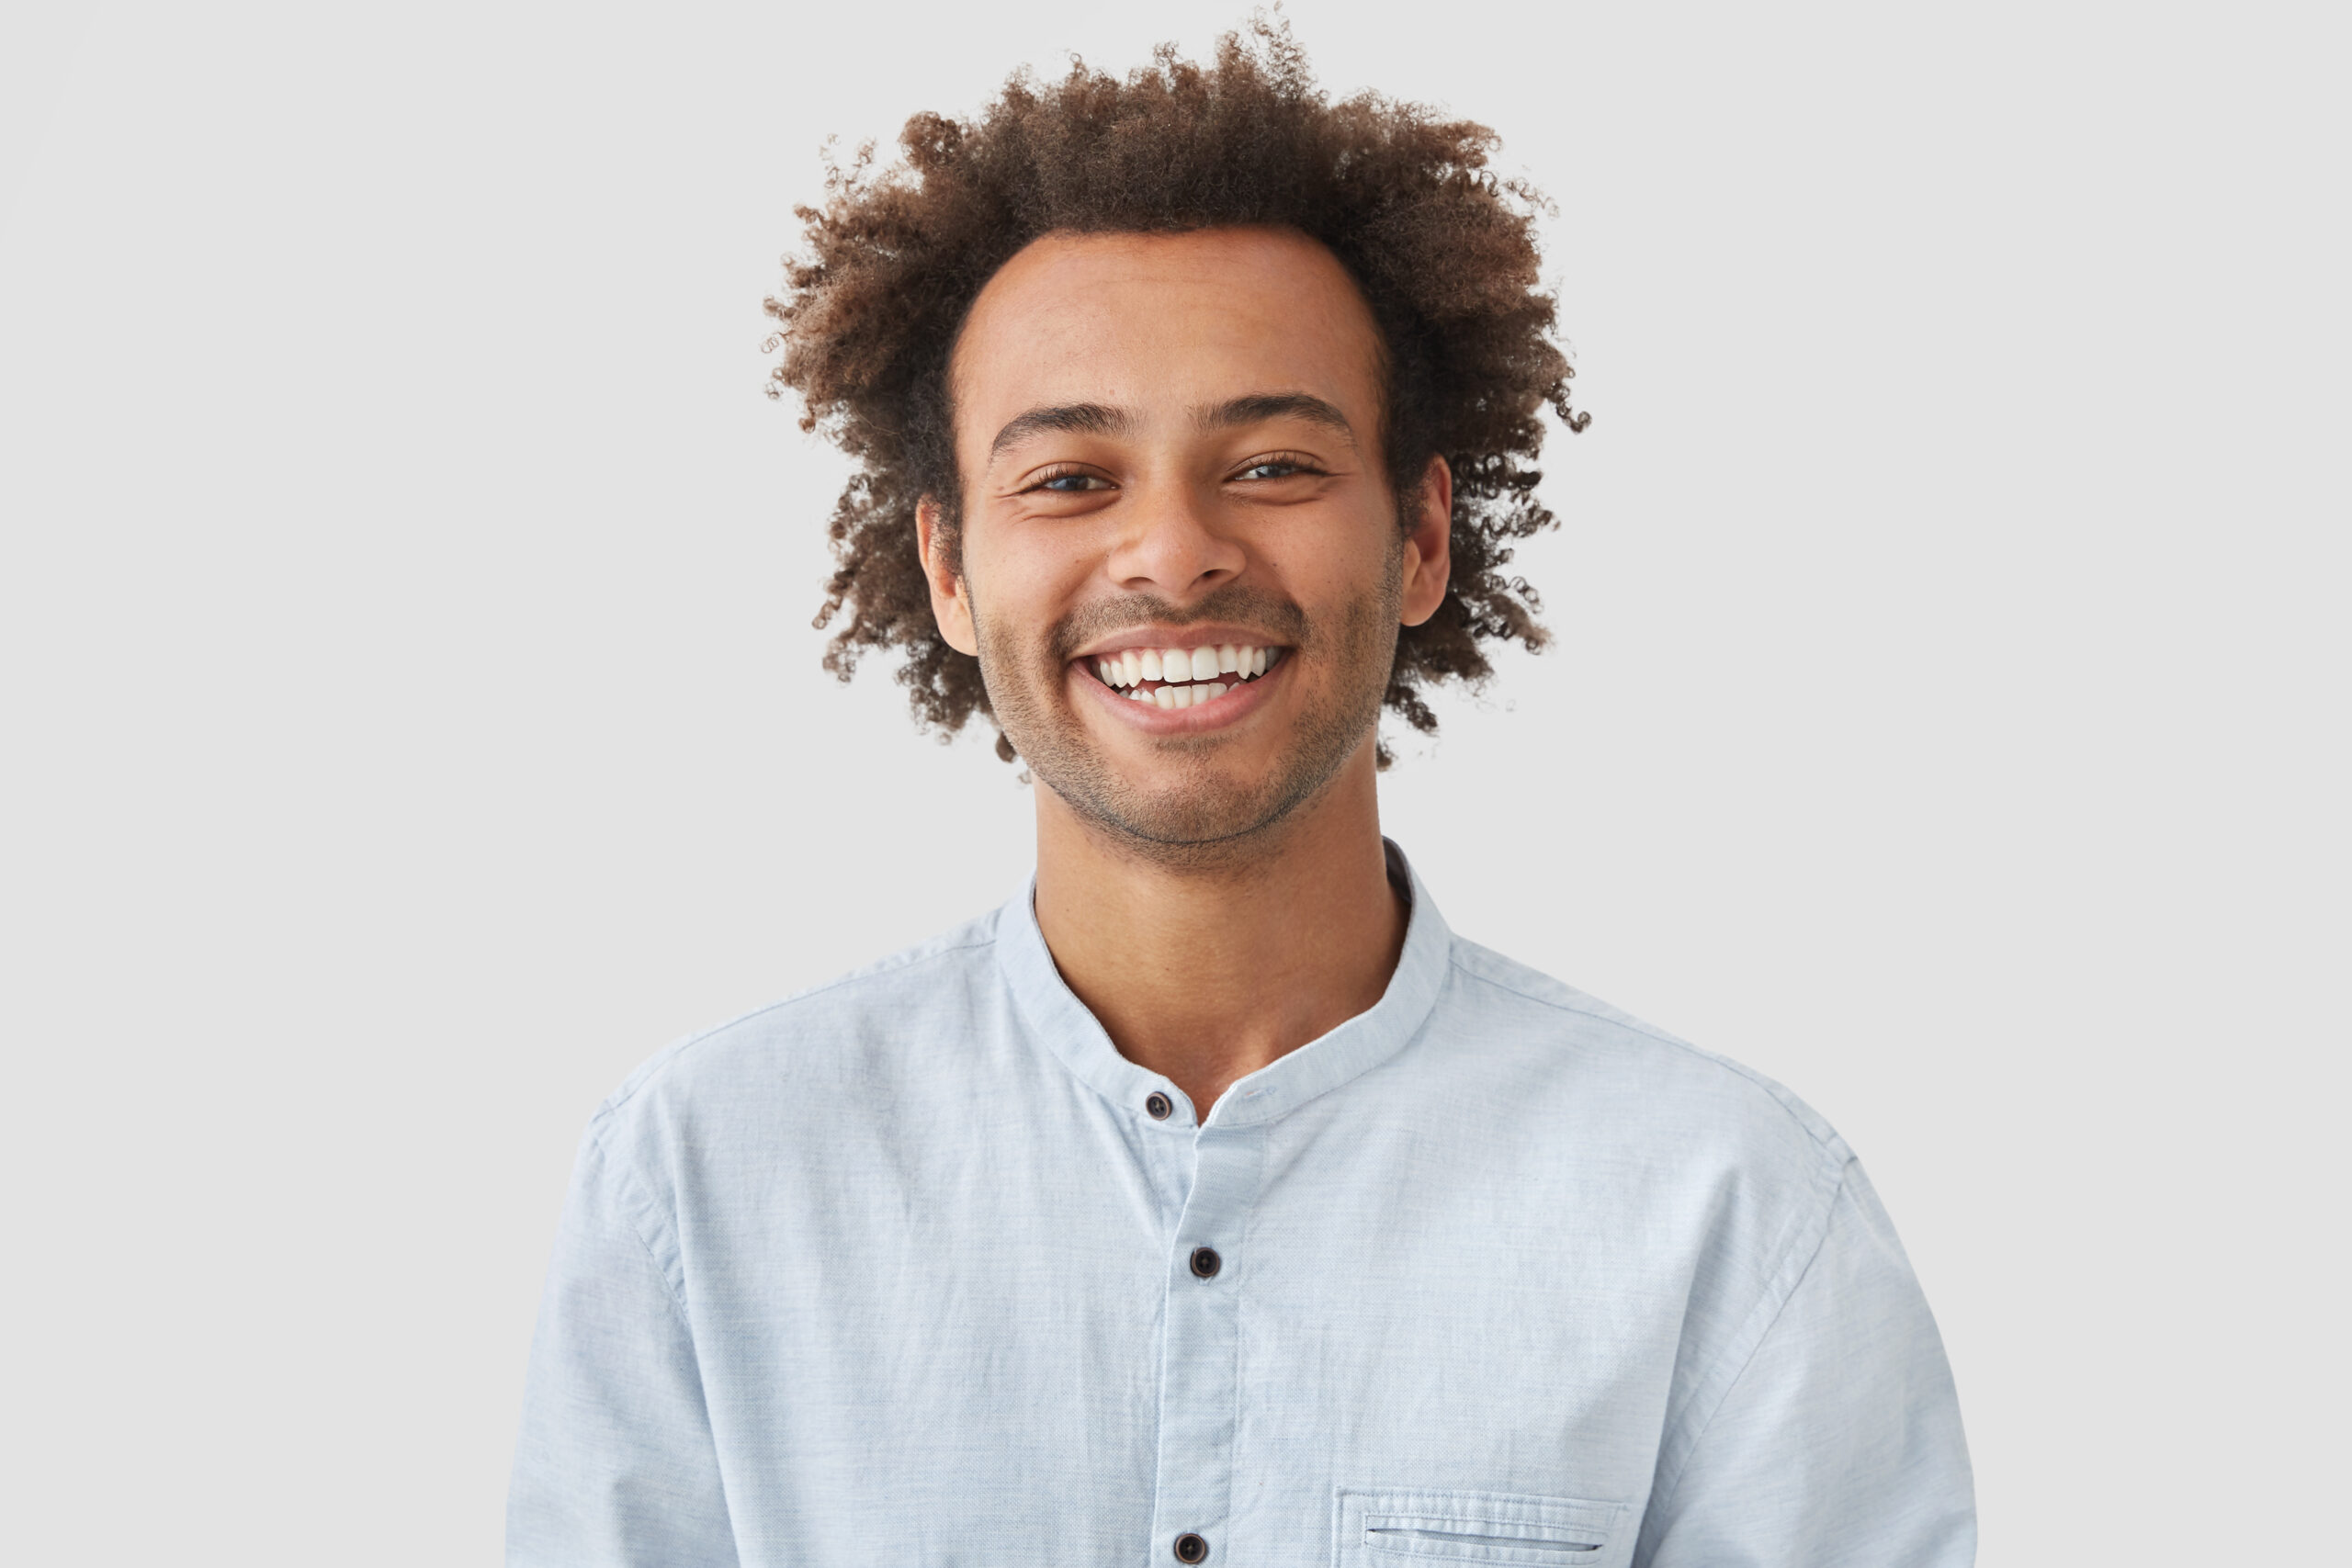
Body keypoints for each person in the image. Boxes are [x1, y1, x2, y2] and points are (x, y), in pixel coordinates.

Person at [506, 24, 1973, 1567]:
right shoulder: (701, 1182)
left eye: (1272, 465)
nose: (1174, 553)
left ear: (1420, 539)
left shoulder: (1728, 1212)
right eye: (1070, 479)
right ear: (948, 566)